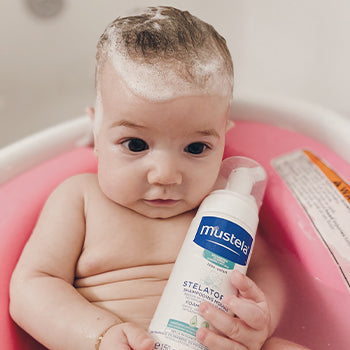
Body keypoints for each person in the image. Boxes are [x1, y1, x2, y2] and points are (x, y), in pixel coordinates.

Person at [10, 6, 309, 350]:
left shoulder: (224, 209)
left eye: (196, 147)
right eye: (135, 144)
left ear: (224, 138)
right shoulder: (80, 199)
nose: (166, 175)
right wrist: (100, 336)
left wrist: (259, 318)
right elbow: (32, 286)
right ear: (95, 131)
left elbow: (265, 269)